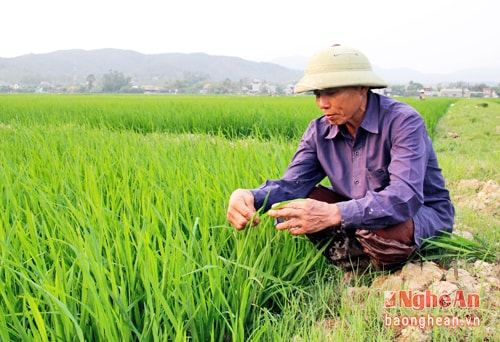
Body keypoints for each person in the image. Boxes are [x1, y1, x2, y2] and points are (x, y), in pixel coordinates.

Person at [226, 44, 454, 272]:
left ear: (362, 87)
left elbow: (404, 198)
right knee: (302, 202)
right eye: (317, 94)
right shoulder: (319, 131)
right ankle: (356, 266)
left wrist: (335, 213)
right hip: (359, 215)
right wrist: (251, 196)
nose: (322, 103)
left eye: (331, 92)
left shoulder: (403, 122)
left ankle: (394, 265)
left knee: (386, 223)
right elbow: (292, 186)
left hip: (418, 215)